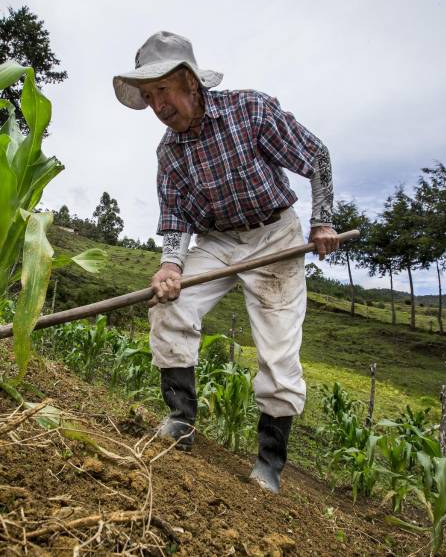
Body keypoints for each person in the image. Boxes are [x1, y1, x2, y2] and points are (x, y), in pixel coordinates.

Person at [113, 31, 339, 494]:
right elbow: (175, 216)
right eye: (149, 96)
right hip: (218, 240)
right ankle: (181, 421)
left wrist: (323, 222)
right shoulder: (168, 152)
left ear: (192, 83)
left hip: (273, 234)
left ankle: (269, 465)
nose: (158, 105)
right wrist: (171, 266)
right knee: (168, 303)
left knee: (277, 350)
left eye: (164, 91)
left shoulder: (250, 111)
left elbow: (315, 155)